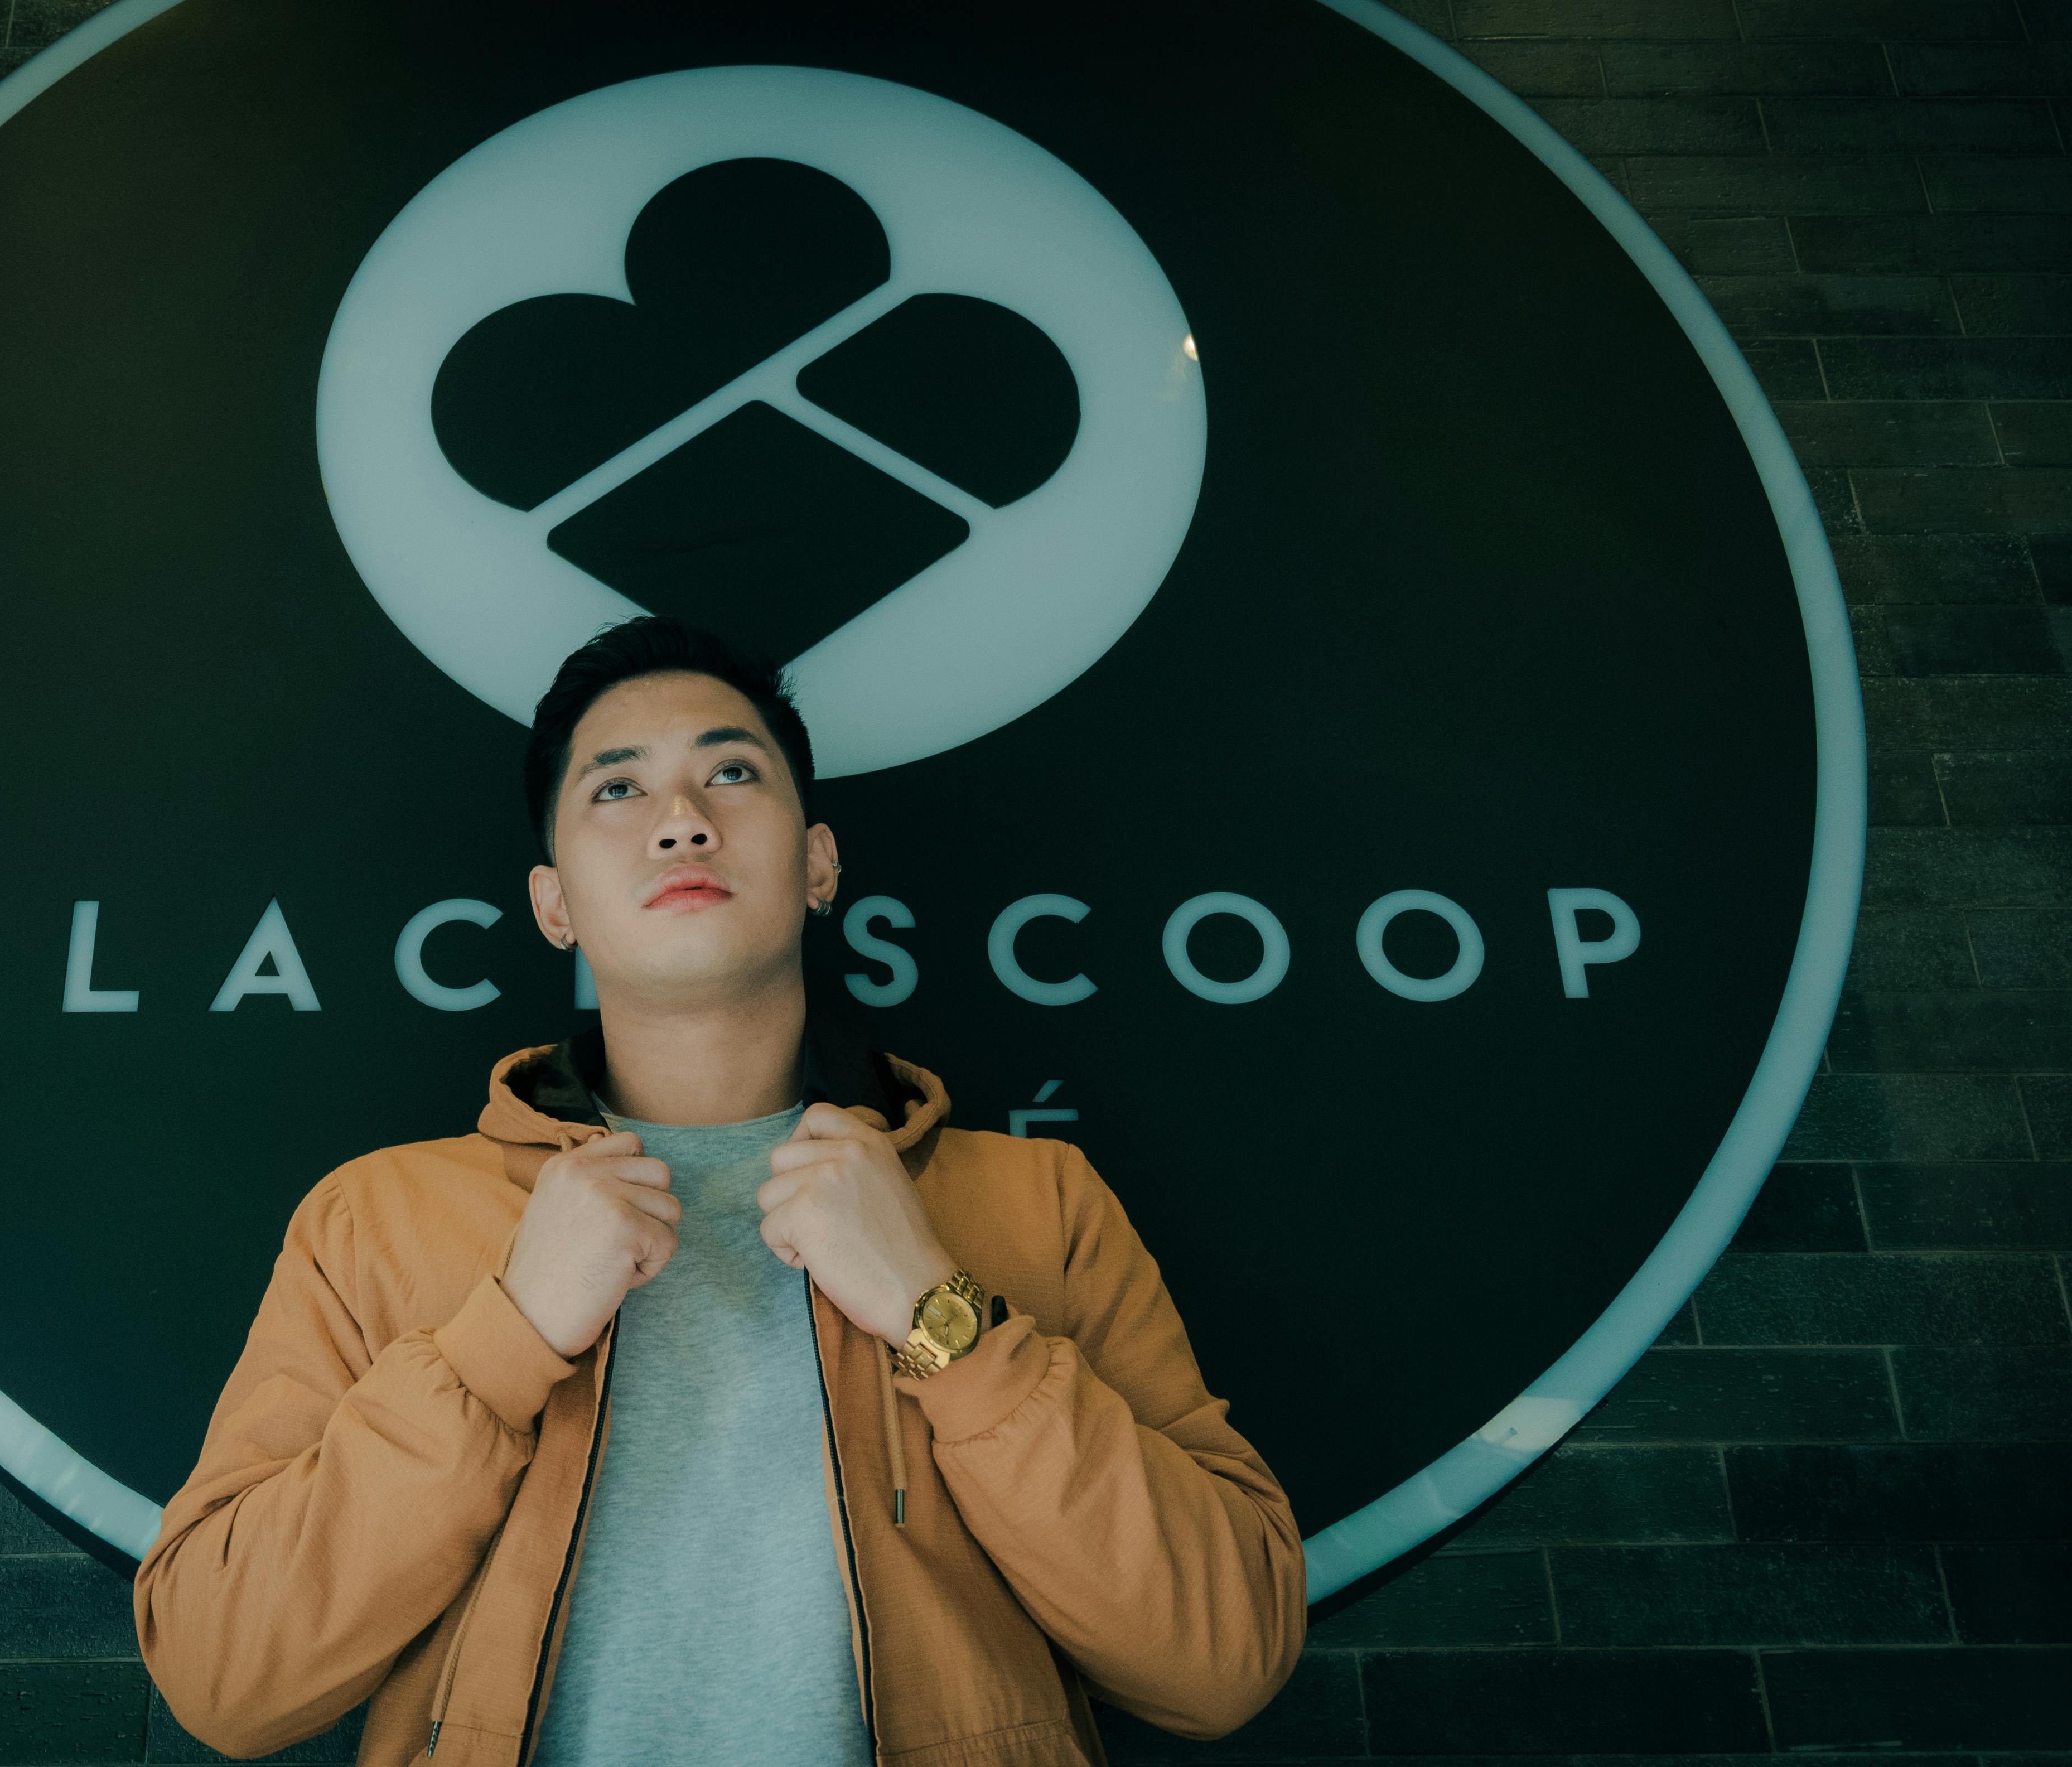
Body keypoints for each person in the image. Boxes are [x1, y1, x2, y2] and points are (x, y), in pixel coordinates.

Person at [134, 616, 1307, 1765]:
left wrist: (942, 1319)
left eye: (731, 773)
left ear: (818, 863)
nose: (683, 822)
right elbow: (224, 1681)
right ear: (555, 906)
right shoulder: (373, 1222)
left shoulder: (1039, 1201)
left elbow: (1224, 1660)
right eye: (618, 790)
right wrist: (503, 1341)